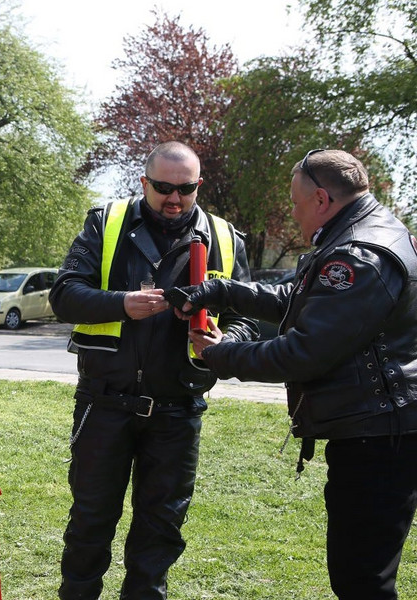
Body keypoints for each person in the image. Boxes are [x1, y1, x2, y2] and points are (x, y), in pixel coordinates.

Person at [172, 149, 417, 600]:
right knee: (361, 573)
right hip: (379, 431)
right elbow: (297, 296)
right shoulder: (362, 231)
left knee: (363, 579)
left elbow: (304, 353)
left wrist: (224, 354)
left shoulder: (358, 256)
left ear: (321, 199)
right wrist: (223, 289)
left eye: (296, 202)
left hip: (381, 440)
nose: (293, 211)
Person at [50, 141, 256, 600]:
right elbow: (63, 296)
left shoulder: (224, 236)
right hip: (105, 401)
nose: (174, 199)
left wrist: (229, 342)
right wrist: (122, 304)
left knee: (161, 530)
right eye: (163, 187)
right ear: (143, 182)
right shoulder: (106, 224)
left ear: (198, 185)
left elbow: (247, 317)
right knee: (90, 521)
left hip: (178, 408)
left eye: (185, 189)